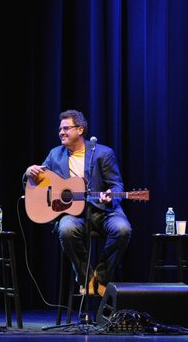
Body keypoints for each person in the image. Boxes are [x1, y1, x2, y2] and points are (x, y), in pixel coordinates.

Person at [25, 109, 131, 296]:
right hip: (72, 214)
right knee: (66, 229)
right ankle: (86, 279)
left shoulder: (103, 154)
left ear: (80, 130)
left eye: (66, 128)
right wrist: (28, 173)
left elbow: (117, 185)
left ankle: (101, 277)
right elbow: (37, 183)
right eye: (60, 129)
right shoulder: (55, 155)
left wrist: (110, 194)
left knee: (122, 229)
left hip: (102, 211)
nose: (61, 132)